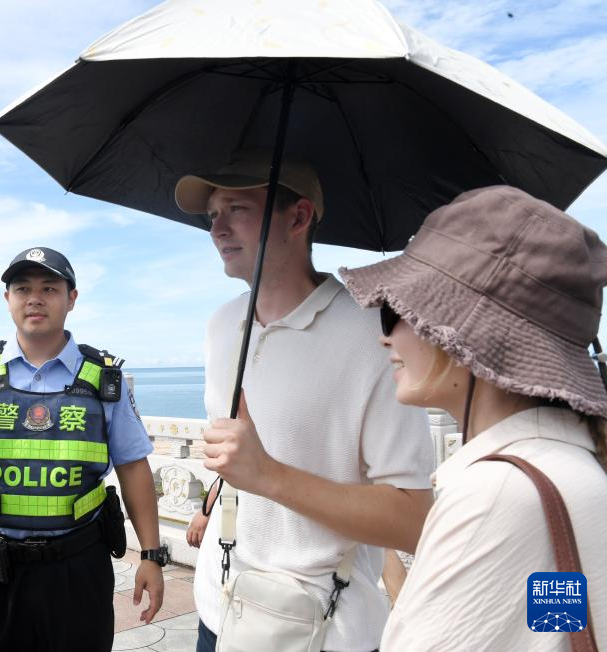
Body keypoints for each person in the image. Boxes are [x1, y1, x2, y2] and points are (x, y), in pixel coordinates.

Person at [174, 150, 435, 652]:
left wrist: (269, 475)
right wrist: (216, 499)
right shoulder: (221, 325)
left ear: (298, 217)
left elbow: (412, 519)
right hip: (218, 608)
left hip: (322, 628)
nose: (217, 229)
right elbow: (235, 458)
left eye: (236, 210)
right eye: (212, 215)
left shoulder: (372, 335)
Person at [340, 185, 607, 650]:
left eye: (394, 312)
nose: (385, 337)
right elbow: (548, 627)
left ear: (466, 334)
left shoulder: (496, 494)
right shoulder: (567, 468)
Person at [0, 246, 165, 652]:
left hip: (78, 566)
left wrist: (151, 556)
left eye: (49, 288)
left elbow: (133, 467)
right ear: (7, 299)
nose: (34, 298)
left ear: (72, 299)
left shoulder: (103, 379)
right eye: (22, 288)